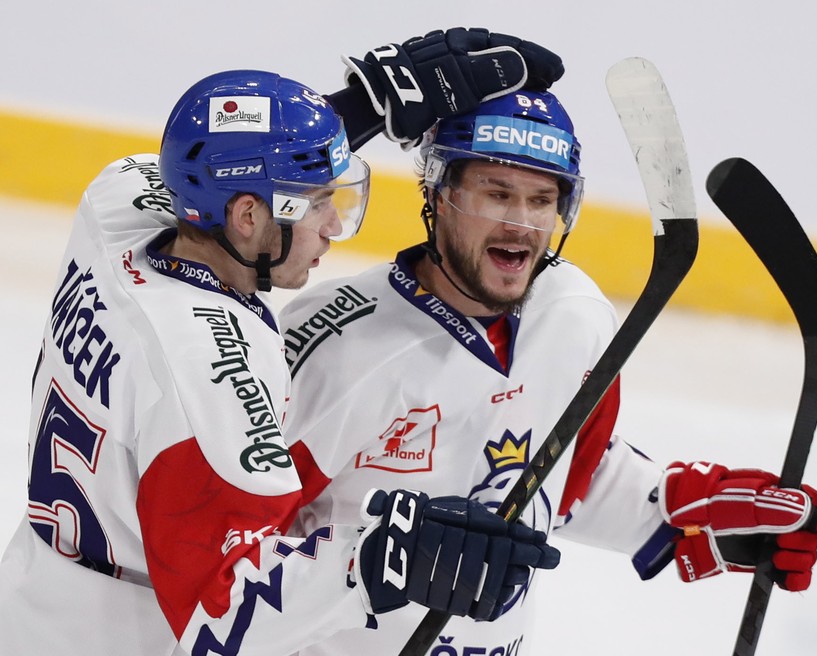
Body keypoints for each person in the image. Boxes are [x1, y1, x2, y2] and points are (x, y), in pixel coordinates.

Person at [0, 29, 568, 655]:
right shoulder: (212, 380)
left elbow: (207, 156)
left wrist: (366, 102)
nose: (332, 227)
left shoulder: (115, 207)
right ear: (246, 217)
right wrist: (383, 557)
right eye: (320, 203)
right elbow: (222, 618)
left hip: (33, 596)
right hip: (125, 635)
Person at [276, 88, 817, 654]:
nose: (521, 225)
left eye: (542, 200)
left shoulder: (572, 314)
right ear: (439, 195)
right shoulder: (336, 345)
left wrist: (678, 509)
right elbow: (219, 561)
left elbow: (558, 476)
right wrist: (373, 561)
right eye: (496, 194)